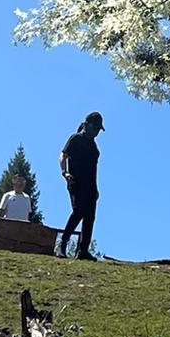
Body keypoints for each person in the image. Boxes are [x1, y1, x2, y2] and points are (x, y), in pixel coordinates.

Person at [58, 111, 104, 260]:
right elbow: (63, 155)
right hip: (76, 182)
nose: (97, 132)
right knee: (79, 212)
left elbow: (93, 169)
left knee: (90, 217)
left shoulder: (93, 145)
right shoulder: (76, 139)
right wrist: (65, 173)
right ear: (88, 125)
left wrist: (96, 188)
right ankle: (62, 245)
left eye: (98, 130)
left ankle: (83, 250)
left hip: (91, 186)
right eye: (95, 128)